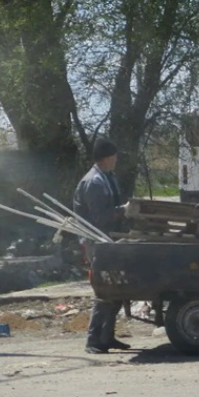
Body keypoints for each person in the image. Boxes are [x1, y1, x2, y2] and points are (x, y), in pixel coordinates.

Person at [74, 137, 130, 354]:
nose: (116, 161)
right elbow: (100, 218)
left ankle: (108, 336)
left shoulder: (108, 177)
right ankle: (94, 340)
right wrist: (123, 211)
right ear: (107, 159)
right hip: (98, 241)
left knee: (117, 288)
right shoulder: (93, 183)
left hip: (111, 241)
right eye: (114, 157)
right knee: (104, 290)